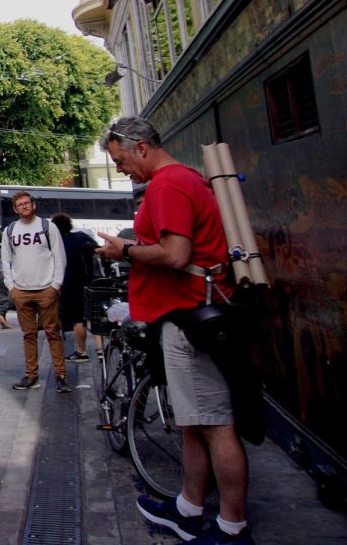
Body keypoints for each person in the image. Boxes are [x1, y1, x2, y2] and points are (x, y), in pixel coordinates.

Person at [97, 117, 249, 545]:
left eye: (120, 159)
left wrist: (123, 248)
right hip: (187, 315)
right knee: (193, 422)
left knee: (214, 424)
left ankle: (232, 528)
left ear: (141, 148)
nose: (120, 168)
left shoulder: (167, 185)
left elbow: (176, 253)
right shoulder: (185, 180)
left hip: (189, 320)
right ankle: (188, 507)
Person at [2, 192, 69, 393]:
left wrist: (55, 285)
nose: (24, 207)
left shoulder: (48, 227)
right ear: (15, 209)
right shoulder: (10, 230)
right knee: (28, 335)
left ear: (33, 205)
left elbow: (59, 257)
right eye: (19, 205)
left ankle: (60, 375)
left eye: (27, 203)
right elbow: (5, 260)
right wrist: (11, 287)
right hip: (21, 290)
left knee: (53, 333)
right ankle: (31, 375)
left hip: (46, 289)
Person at [51, 213, 96, 362]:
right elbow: (96, 250)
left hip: (69, 285)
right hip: (89, 282)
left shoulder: (58, 244)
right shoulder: (81, 237)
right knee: (93, 317)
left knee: (77, 320)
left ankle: (81, 351)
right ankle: (100, 350)